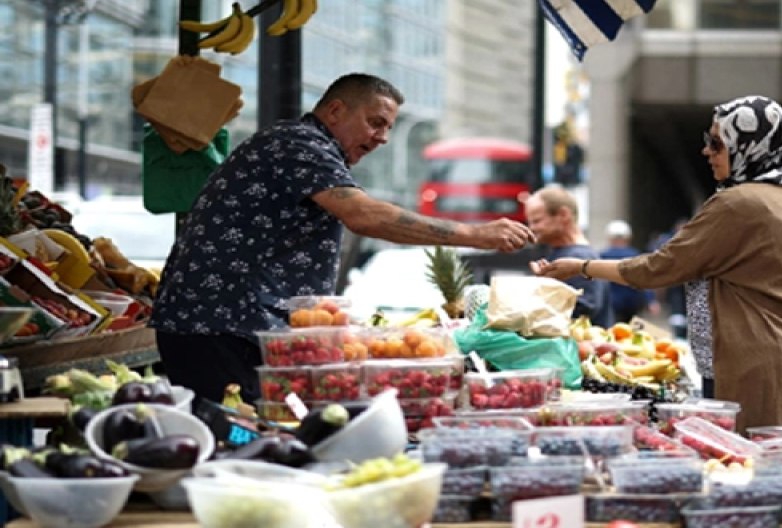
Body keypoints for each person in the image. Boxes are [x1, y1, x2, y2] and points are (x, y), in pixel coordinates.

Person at [150, 73, 535, 404]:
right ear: (335, 111)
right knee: (236, 434)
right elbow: (364, 215)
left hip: (228, 325)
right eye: (375, 122)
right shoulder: (300, 144)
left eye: (388, 128)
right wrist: (477, 234)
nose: (382, 137)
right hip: (218, 327)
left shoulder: (308, 147)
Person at [533, 96, 782, 465]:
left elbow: (657, 269)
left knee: (751, 475)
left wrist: (581, 267)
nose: (706, 151)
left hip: (754, 362)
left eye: (717, 143)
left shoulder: (739, 204)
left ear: (749, 147)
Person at [525, 186, 606, 323]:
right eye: (530, 222)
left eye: (537, 221)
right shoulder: (569, 253)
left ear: (563, 215)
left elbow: (582, 311)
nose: (532, 228)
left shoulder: (579, 256)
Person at [598, 220, 655, 325]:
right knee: (633, 335)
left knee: (614, 333)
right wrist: (650, 301)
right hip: (632, 302)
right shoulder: (635, 255)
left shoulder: (602, 256)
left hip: (611, 303)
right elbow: (644, 279)